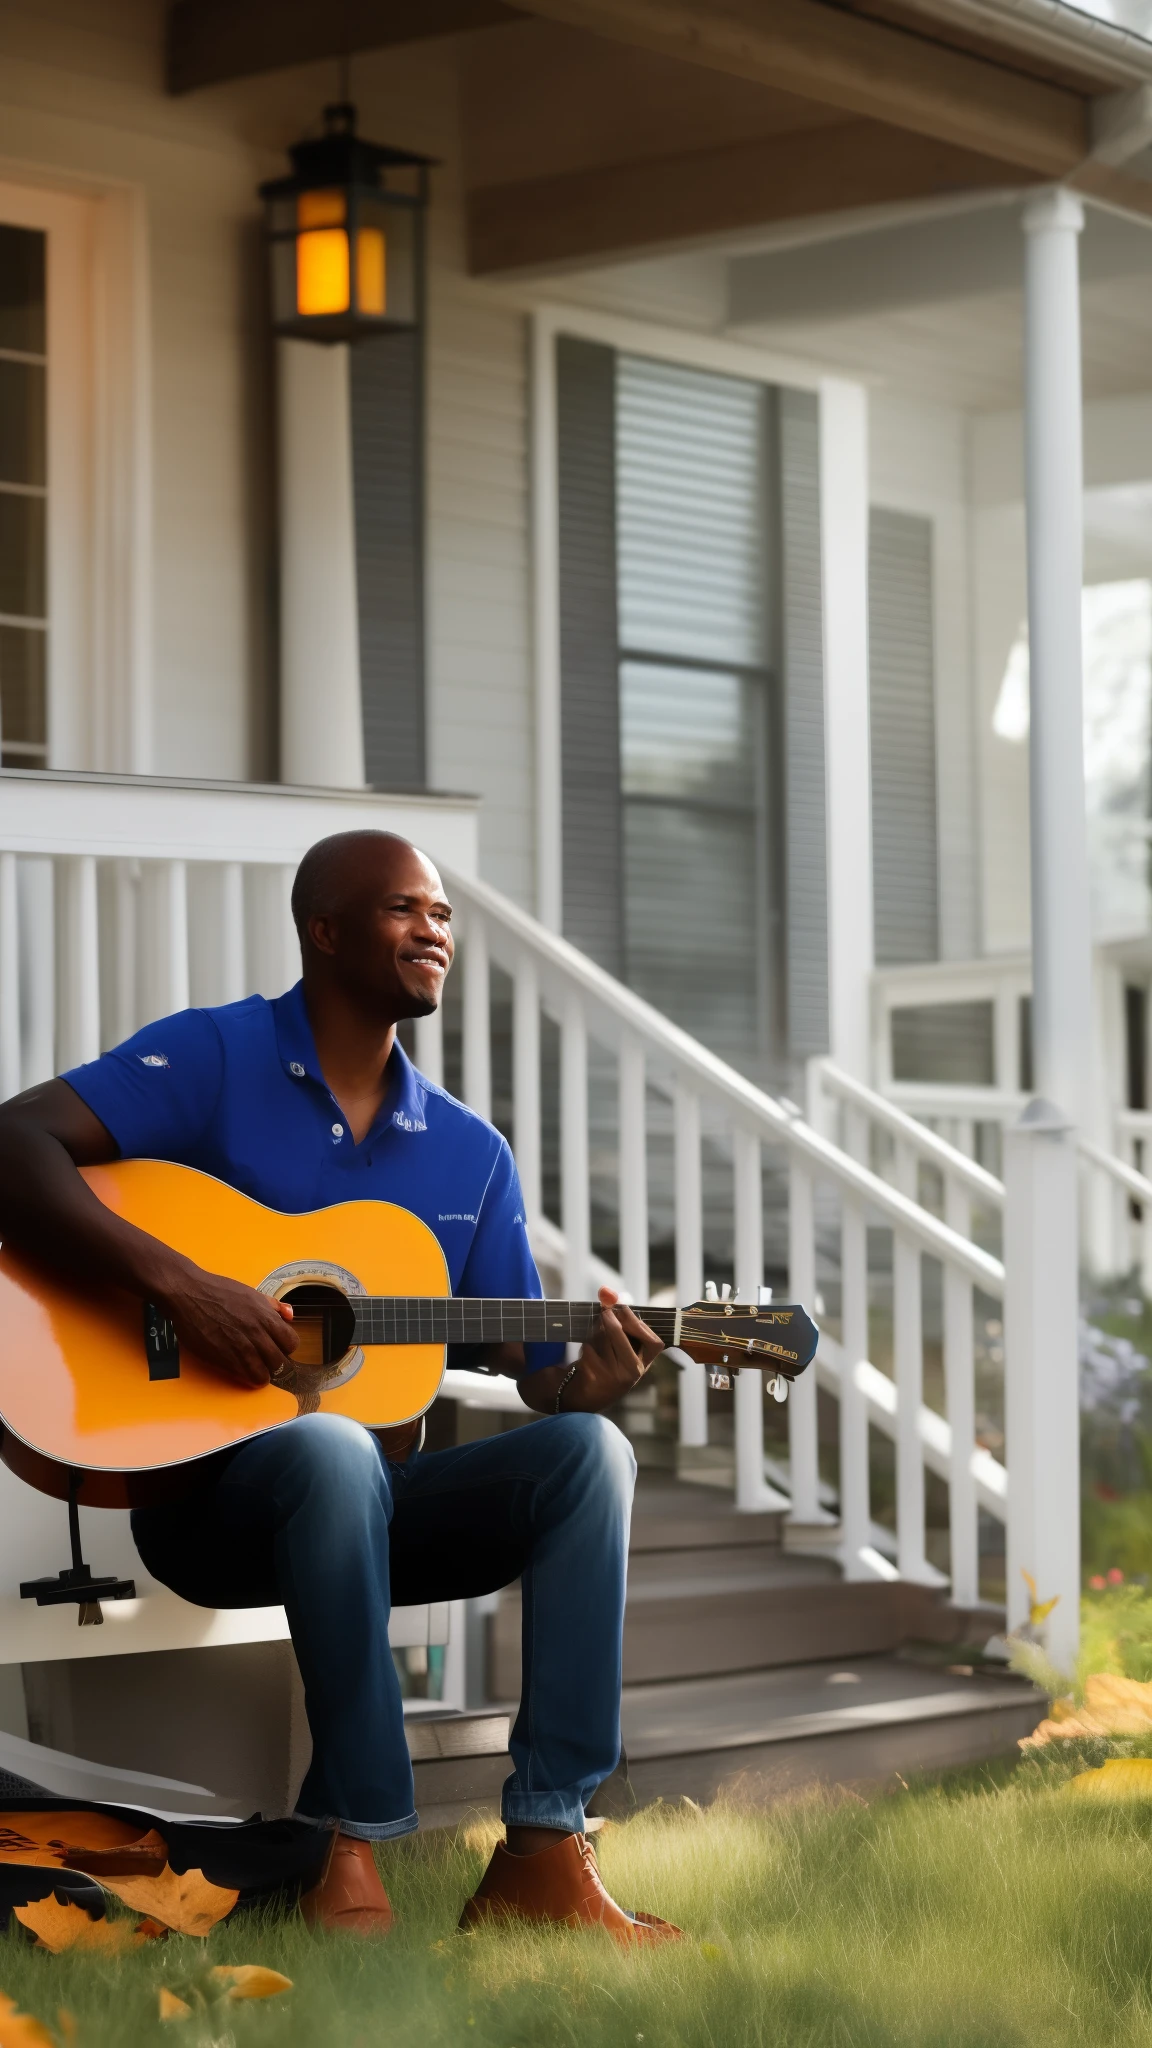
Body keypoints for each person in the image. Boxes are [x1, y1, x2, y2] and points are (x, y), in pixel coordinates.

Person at [0, 831, 680, 1944]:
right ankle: (351, 1835)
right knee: (329, 1447)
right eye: (406, 909)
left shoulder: (469, 1155)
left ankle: (546, 1847)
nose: (437, 933)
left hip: (375, 1513)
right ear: (325, 928)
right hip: (209, 1507)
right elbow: (14, 1143)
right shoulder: (216, 1057)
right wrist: (187, 1283)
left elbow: (544, 1377)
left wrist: (591, 1381)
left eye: (447, 916)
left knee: (589, 1455)